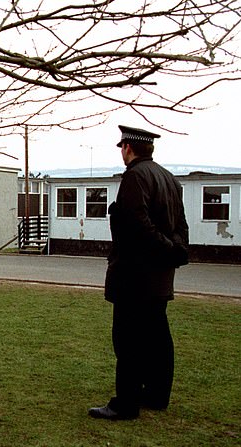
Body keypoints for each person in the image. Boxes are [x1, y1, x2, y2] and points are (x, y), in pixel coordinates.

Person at [88, 125, 189, 420]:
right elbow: (180, 225)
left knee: (128, 338)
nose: (122, 152)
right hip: (159, 276)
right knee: (158, 336)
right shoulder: (170, 179)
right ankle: (157, 394)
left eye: (122, 147)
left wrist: (164, 248)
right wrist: (176, 249)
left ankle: (126, 403)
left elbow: (137, 224)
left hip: (135, 275)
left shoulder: (135, 177)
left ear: (128, 148)